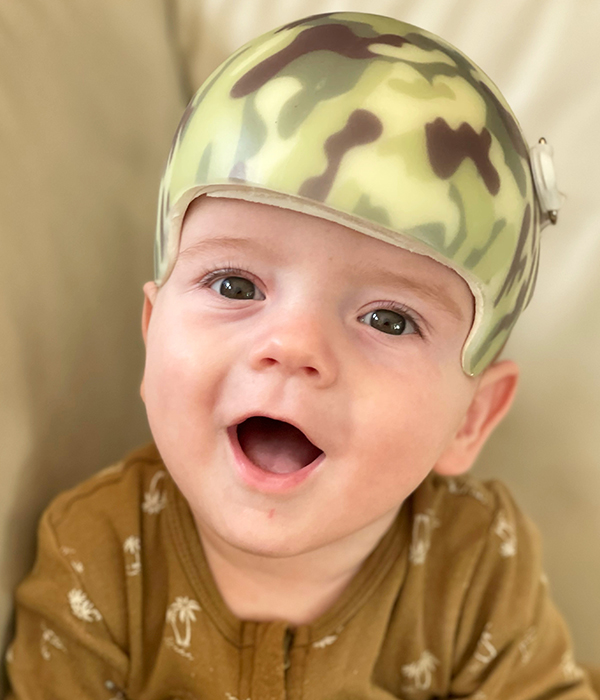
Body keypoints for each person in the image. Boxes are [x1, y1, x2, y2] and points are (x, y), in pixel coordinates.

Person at [5, 11, 596, 699]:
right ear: (151, 333)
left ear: (471, 418)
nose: (293, 346)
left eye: (388, 318)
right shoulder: (98, 554)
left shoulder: (476, 563)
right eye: (235, 284)